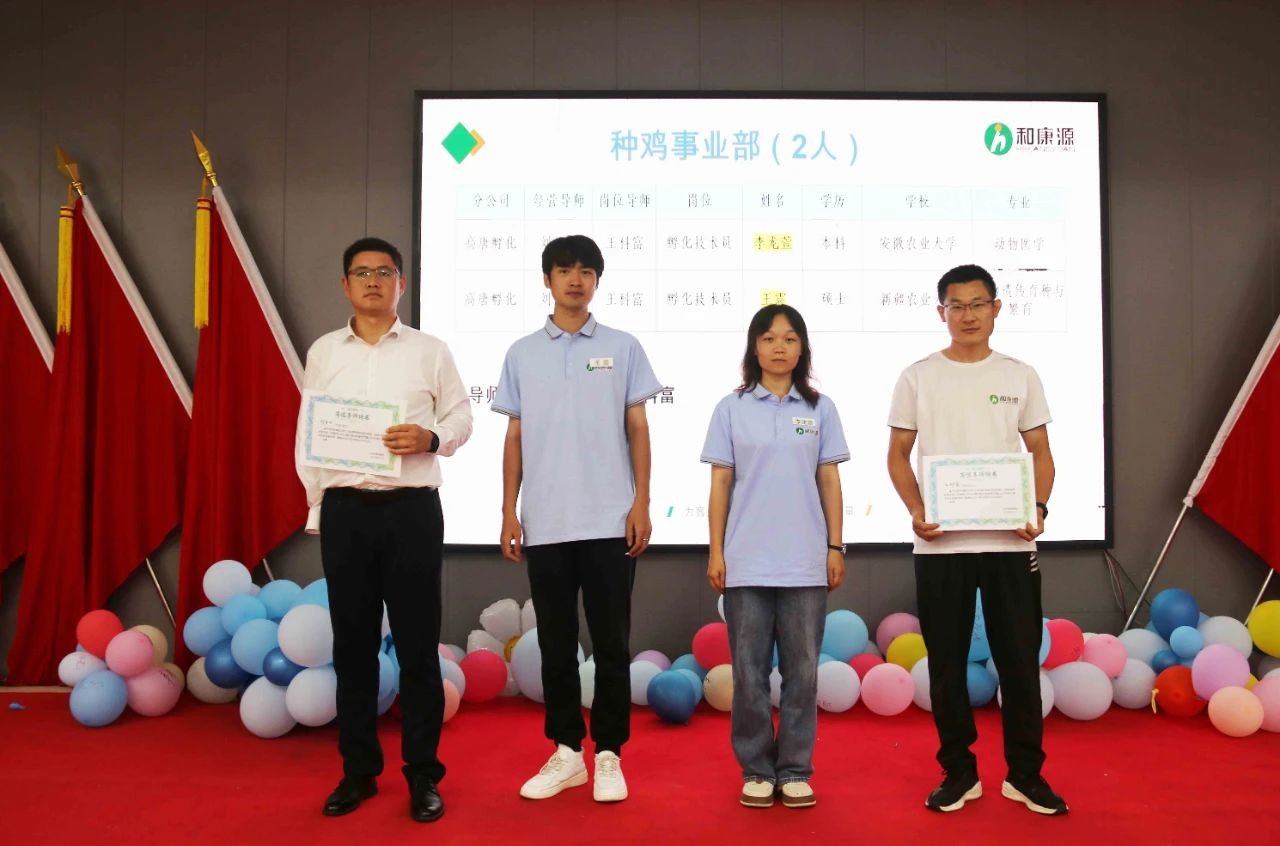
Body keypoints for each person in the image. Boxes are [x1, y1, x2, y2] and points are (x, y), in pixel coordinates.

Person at [295, 237, 472, 822]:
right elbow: (308, 431)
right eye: (362, 272)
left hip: (411, 510)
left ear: (402, 283)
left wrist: (431, 438)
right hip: (347, 511)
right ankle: (358, 772)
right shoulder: (325, 351)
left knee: (418, 648)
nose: (373, 280)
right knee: (353, 648)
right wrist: (318, 506)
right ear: (345, 284)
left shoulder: (430, 350)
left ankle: (423, 775)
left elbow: (462, 415)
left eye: (384, 271)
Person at [886, 263, 1065, 815]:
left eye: (978, 304)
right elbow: (897, 456)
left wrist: (1037, 508)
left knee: (1019, 664)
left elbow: (1040, 452)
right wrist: (917, 510)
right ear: (941, 312)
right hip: (942, 545)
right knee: (946, 666)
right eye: (957, 306)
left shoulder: (1020, 375)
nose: (968, 315)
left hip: (1011, 544)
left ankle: (1025, 776)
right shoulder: (918, 376)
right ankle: (959, 773)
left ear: (996, 308)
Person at [493, 234, 661, 803]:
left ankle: (609, 753)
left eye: (586, 271)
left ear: (597, 281)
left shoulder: (623, 346)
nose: (575, 279)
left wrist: (641, 501)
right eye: (564, 270)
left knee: (612, 643)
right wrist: (509, 510)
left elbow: (638, 427)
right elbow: (514, 436)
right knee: (557, 644)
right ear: (547, 280)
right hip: (546, 522)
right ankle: (567, 752)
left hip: (610, 520)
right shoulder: (522, 353)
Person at [701, 304, 849, 809]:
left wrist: (835, 546)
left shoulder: (820, 408)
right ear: (754, 347)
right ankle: (757, 769)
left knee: (803, 673)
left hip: (806, 561)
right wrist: (717, 550)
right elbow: (721, 483)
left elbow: (829, 480)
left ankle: (795, 769)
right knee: (749, 673)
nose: (779, 347)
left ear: (802, 347)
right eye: (768, 338)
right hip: (746, 561)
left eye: (789, 338)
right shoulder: (731, 408)